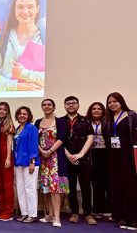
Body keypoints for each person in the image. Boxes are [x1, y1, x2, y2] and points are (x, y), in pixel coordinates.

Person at [0, 0, 45, 91]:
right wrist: (16, 86)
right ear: (14, 10)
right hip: (6, 102)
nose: (25, 11)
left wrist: (24, 74)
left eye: (30, 7)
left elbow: (54, 77)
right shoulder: (4, 37)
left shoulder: (45, 38)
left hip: (38, 101)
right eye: (20, 7)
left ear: (37, 9)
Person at [103, 92, 137, 230]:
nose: (112, 104)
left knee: (130, 187)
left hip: (128, 157)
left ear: (121, 101)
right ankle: (122, 217)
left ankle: (133, 220)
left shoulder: (131, 116)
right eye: (110, 102)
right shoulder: (108, 118)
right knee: (117, 187)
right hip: (113, 158)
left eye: (115, 101)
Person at [61, 96, 96, 225]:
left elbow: (90, 138)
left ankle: (88, 213)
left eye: (74, 103)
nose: (71, 105)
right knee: (70, 187)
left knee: (86, 186)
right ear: (64, 106)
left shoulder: (86, 120)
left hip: (84, 159)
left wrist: (80, 154)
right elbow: (58, 140)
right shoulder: (60, 121)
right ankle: (74, 212)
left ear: (78, 105)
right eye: (68, 103)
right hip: (67, 159)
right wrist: (69, 155)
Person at [35, 99, 69, 227]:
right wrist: (41, 151)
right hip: (42, 159)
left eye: (49, 104)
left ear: (54, 107)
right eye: (44, 104)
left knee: (55, 189)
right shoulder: (38, 122)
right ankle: (49, 215)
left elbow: (61, 139)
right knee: (46, 188)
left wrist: (49, 151)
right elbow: (35, 139)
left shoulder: (60, 121)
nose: (46, 106)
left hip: (55, 159)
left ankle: (57, 217)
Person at [13, 106, 40, 223]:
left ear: (29, 115)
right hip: (19, 163)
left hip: (30, 163)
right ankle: (24, 213)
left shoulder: (32, 128)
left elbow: (33, 146)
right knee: (20, 189)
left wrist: (32, 162)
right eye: (19, 113)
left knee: (30, 189)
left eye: (24, 113)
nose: (22, 115)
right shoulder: (18, 128)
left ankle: (32, 214)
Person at [86, 102, 111, 218]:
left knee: (108, 182)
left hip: (107, 154)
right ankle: (97, 210)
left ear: (103, 111)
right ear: (90, 111)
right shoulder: (86, 122)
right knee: (96, 183)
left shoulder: (108, 122)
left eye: (99, 109)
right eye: (94, 109)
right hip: (92, 154)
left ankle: (109, 209)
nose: (96, 110)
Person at [0, 102, 15, 222]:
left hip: (6, 155)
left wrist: (7, 158)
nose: (1, 111)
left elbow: (9, 142)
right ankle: (2, 209)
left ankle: (9, 212)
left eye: (4, 109)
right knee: (0, 185)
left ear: (7, 112)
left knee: (7, 185)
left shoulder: (9, 124)